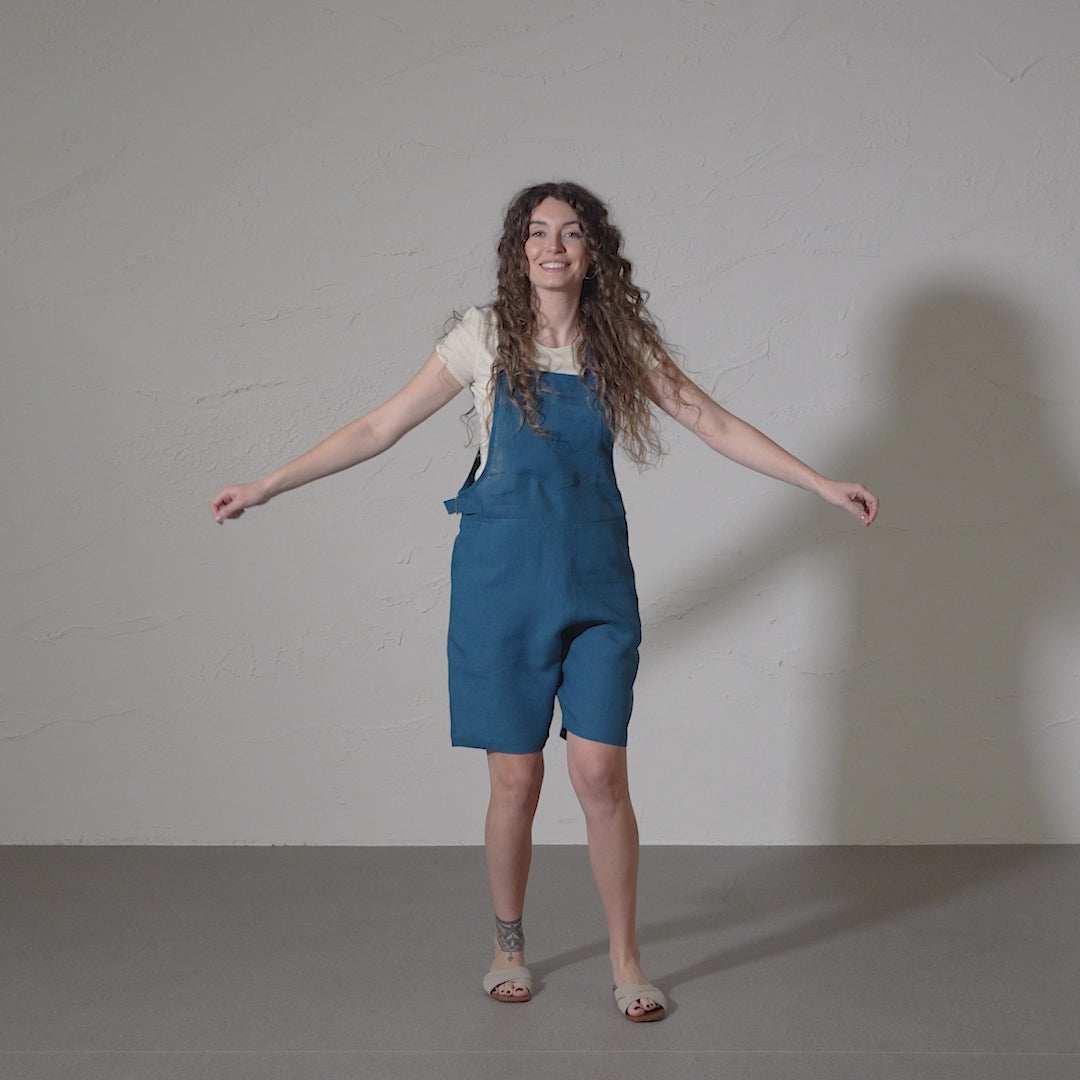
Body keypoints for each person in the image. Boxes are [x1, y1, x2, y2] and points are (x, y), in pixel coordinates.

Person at [209, 181, 879, 1022]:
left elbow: (709, 420)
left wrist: (818, 483)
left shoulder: (619, 341)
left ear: (594, 251)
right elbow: (380, 427)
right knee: (517, 779)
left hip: (596, 581)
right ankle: (507, 944)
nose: (551, 246)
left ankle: (627, 959)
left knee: (600, 771)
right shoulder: (483, 337)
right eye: (536, 232)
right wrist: (268, 484)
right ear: (517, 249)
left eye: (569, 232)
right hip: (499, 585)